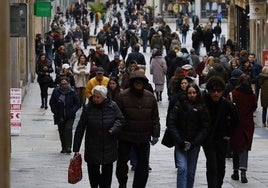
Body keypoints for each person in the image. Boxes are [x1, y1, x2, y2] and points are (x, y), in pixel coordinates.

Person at [116, 70, 160, 188]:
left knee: (143, 165)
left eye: (141, 82)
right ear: (132, 83)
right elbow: (117, 116)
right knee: (121, 163)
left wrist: (155, 133)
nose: (138, 84)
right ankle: (122, 183)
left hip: (143, 136)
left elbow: (155, 117)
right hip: (126, 136)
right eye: (136, 82)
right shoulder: (122, 96)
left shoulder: (150, 97)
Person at [73, 85, 124, 188]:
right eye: (94, 96)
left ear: (104, 97)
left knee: (106, 175)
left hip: (109, 146)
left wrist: (114, 129)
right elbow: (80, 128)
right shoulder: (88, 108)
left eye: (98, 97)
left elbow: (120, 120)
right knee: (93, 175)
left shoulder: (112, 106)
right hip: (92, 147)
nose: (95, 99)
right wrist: (76, 148)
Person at [167, 83, 210, 188]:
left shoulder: (201, 107)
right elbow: (171, 123)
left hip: (194, 144)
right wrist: (179, 140)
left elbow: (205, 127)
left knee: (191, 172)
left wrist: (195, 142)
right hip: (180, 142)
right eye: (190, 93)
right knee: (182, 168)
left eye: (194, 92)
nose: (192, 95)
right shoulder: (179, 105)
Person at [202, 76, 239, 188]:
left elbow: (236, 119)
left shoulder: (226, 104)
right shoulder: (204, 102)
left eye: (219, 91)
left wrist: (228, 134)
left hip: (221, 139)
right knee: (212, 166)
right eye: (213, 91)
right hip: (209, 140)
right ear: (209, 91)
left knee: (221, 166)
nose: (216, 93)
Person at [230, 74, 257, 183]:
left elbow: (229, 106)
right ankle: (243, 172)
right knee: (244, 148)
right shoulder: (252, 96)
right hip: (247, 123)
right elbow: (254, 107)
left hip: (236, 124)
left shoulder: (234, 94)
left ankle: (235, 171)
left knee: (235, 147)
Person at [49, 76, 81, 154]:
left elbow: (77, 103)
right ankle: (63, 146)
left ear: (68, 83)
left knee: (68, 129)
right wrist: (55, 112)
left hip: (70, 115)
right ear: (60, 84)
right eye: (62, 84)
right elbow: (52, 102)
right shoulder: (56, 91)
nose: (64, 86)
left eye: (65, 84)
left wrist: (73, 111)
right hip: (59, 116)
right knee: (61, 131)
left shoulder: (72, 92)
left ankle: (69, 146)